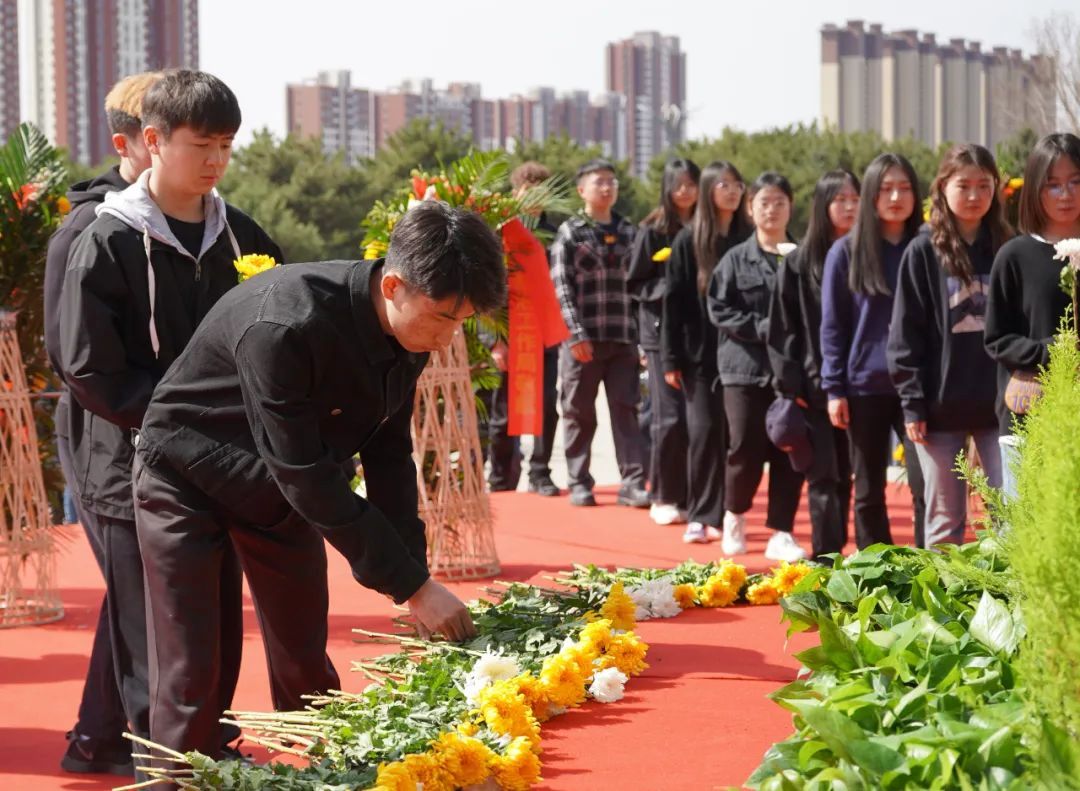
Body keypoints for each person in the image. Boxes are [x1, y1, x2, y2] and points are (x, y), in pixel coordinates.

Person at [132, 201, 501, 758]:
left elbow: (389, 455)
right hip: (186, 476)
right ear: (394, 285)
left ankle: (321, 773)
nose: (448, 338)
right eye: (443, 318)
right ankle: (175, 780)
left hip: (280, 484)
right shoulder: (285, 323)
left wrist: (413, 575)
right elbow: (301, 470)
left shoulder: (411, 333)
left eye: (461, 322)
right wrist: (414, 588)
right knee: (193, 666)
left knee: (303, 653)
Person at [59, 70, 282, 750]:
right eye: (201, 144)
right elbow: (88, 367)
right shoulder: (106, 239)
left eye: (226, 145)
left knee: (213, 622)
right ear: (152, 141)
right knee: (154, 634)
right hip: (129, 467)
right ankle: (161, 765)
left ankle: (208, 751)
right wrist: (180, 421)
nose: (216, 161)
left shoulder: (243, 237)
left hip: (219, 470)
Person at [43, 69, 160, 777]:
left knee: (140, 590)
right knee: (138, 590)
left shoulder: (208, 222)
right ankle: (131, 744)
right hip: (103, 436)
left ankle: (95, 738)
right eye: (167, 135)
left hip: (165, 437)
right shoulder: (87, 229)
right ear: (131, 143)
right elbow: (73, 360)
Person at [888, 144, 1012, 546]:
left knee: (1010, 513)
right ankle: (944, 589)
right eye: (964, 185)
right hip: (939, 408)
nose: (975, 195)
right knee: (945, 520)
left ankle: (1009, 587)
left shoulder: (1007, 246)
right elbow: (905, 334)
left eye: (984, 185)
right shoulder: (923, 251)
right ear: (943, 187)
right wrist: (912, 403)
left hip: (1000, 406)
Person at [820, 153, 927, 549]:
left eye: (904, 188)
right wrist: (834, 388)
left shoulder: (928, 247)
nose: (896, 197)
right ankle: (877, 570)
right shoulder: (845, 252)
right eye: (886, 189)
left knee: (924, 483)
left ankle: (930, 566)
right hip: (864, 385)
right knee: (867, 489)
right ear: (870, 195)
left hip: (918, 385)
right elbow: (833, 326)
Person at [708, 172, 807, 561]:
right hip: (744, 370)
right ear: (750, 209)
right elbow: (719, 309)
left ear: (791, 207)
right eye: (764, 202)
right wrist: (763, 327)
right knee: (744, 448)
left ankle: (781, 531)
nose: (772, 210)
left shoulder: (800, 258)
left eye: (780, 202)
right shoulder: (735, 259)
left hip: (790, 371)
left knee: (789, 447)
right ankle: (734, 514)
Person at [767, 169, 860, 560]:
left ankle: (847, 554)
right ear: (823, 205)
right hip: (813, 386)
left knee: (849, 475)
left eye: (855, 199)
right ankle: (827, 557)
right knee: (823, 474)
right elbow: (782, 329)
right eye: (840, 199)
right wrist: (791, 388)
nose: (850, 207)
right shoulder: (799, 263)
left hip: (861, 385)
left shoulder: (867, 256)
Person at [985, 133, 1080, 498]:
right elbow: (997, 340)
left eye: (1075, 181)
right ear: (1035, 190)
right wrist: (1052, 350)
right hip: (1030, 418)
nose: (1066, 194)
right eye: (1053, 185)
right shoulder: (1015, 256)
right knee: (1028, 523)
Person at [551, 159, 649, 507]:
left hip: (623, 338)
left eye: (611, 181)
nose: (607, 188)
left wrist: (643, 340)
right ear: (582, 190)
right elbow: (560, 287)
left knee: (627, 410)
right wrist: (575, 334)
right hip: (583, 342)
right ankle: (579, 481)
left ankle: (633, 483)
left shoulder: (630, 232)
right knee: (578, 413)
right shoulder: (570, 232)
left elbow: (640, 288)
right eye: (599, 182)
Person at [663, 161, 752, 545]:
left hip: (744, 356)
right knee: (702, 432)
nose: (731, 191)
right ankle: (700, 515)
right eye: (723, 184)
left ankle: (730, 512)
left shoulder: (750, 238)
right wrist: (670, 357)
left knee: (736, 438)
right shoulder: (688, 240)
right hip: (699, 356)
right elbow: (673, 303)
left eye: (737, 185)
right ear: (709, 189)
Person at [628, 158, 699, 526]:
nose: (685, 191)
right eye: (678, 184)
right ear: (667, 188)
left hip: (697, 335)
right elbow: (635, 283)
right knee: (668, 416)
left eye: (691, 184)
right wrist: (670, 287)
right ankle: (664, 494)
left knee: (695, 419)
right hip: (659, 334)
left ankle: (690, 496)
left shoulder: (706, 228)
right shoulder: (652, 230)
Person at [485, 161, 562, 496]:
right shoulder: (499, 233)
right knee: (502, 411)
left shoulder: (556, 235)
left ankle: (540, 473)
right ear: (515, 192)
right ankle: (500, 478)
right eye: (528, 189)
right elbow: (487, 291)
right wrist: (494, 341)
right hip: (508, 334)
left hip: (544, 335)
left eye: (543, 190)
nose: (535, 196)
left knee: (547, 406)